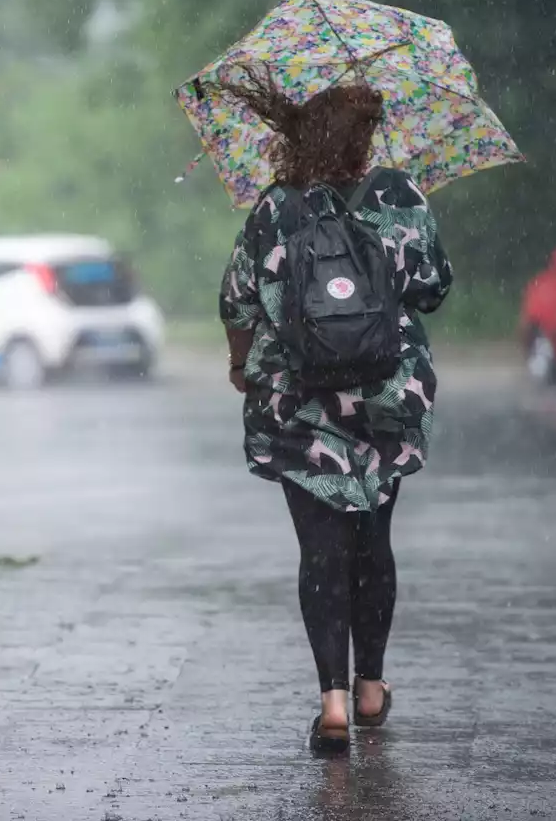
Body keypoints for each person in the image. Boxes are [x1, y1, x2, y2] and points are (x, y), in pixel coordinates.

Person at [217, 72, 453, 752]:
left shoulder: (275, 208)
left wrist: (241, 366)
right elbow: (435, 287)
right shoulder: (401, 195)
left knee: (321, 548)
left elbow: (237, 301)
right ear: (366, 137)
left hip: (301, 402)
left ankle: (334, 703)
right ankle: (373, 684)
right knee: (373, 540)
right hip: (387, 396)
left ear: (300, 132)